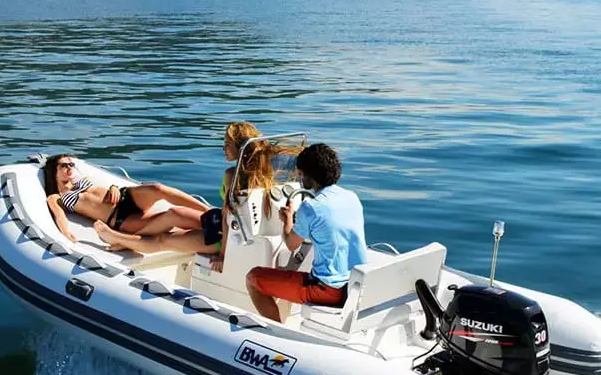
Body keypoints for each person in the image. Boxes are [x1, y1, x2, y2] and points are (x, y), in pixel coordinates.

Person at [93, 122, 274, 261]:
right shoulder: (265, 175)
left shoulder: (231, 176)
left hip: (226, 238)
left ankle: (119, 239)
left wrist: (223, 254)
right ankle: (130, 238)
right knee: (174, 213)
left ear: (240, 148)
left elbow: (229, 220)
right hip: (227, 226)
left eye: (228, 144)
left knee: (163, 240)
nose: (223, 149)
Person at [245, 143, 367, 323]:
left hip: (327, 290)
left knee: (253, 278)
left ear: (310, 175)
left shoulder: (310, 207)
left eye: (300, 174)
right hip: (355, 284)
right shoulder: (352, 197)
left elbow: (291, 244)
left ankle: (277, 333)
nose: (300, 178)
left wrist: (287, 221)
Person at [44, 154, 209, 243]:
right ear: (54, 171)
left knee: (157, 188)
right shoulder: (56, 197)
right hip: (119, 218)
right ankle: (213, 230)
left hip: (126, 196)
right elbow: (59, 215)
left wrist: (114, 188)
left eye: (71, 164)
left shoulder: (79, 180)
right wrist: (65, 234)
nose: (69, 168)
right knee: (173, 215)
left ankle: (209, 211)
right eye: (64, 165)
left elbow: (99, 189)